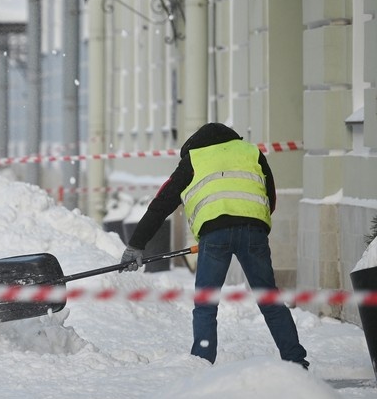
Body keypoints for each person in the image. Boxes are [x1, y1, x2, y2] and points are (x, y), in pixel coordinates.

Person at [119, 122, 309, 369]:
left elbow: (161, 204)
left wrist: (136, 245)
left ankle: (202, 362)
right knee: (269, 298)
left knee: (206, 304)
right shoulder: (251, 152)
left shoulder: (194, 159)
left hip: (214, 234)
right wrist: (251, 224)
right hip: (254, 232)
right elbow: (270, 196)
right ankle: (296, 360)